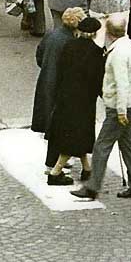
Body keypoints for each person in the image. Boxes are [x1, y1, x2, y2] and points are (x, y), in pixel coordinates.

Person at [71, 14, 131, 201]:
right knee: (127, 146)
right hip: (130, 104)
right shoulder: (130, 45)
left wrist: (120, 111)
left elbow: (122, 84)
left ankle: (92, 187)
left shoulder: (118, 53)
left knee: (101, 146)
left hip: (119, 107)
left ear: (109, 31)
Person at [46, 14, 103, 184]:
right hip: (84, 101)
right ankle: (55, 173)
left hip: (65, 96)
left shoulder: (69, 46)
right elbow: (98, 79)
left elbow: (61, 69)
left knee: (77, 133)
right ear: (94, 34)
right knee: (74, 136)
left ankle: (87, 169)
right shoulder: (96, 52)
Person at [32, 6, 85, 182]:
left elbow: (39, 55)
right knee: (59, 125)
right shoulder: (70, 42)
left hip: (46, 81)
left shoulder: (52, 35)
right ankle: (52, 164)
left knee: (53, 123)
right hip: (60, 87)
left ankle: (59, 159)